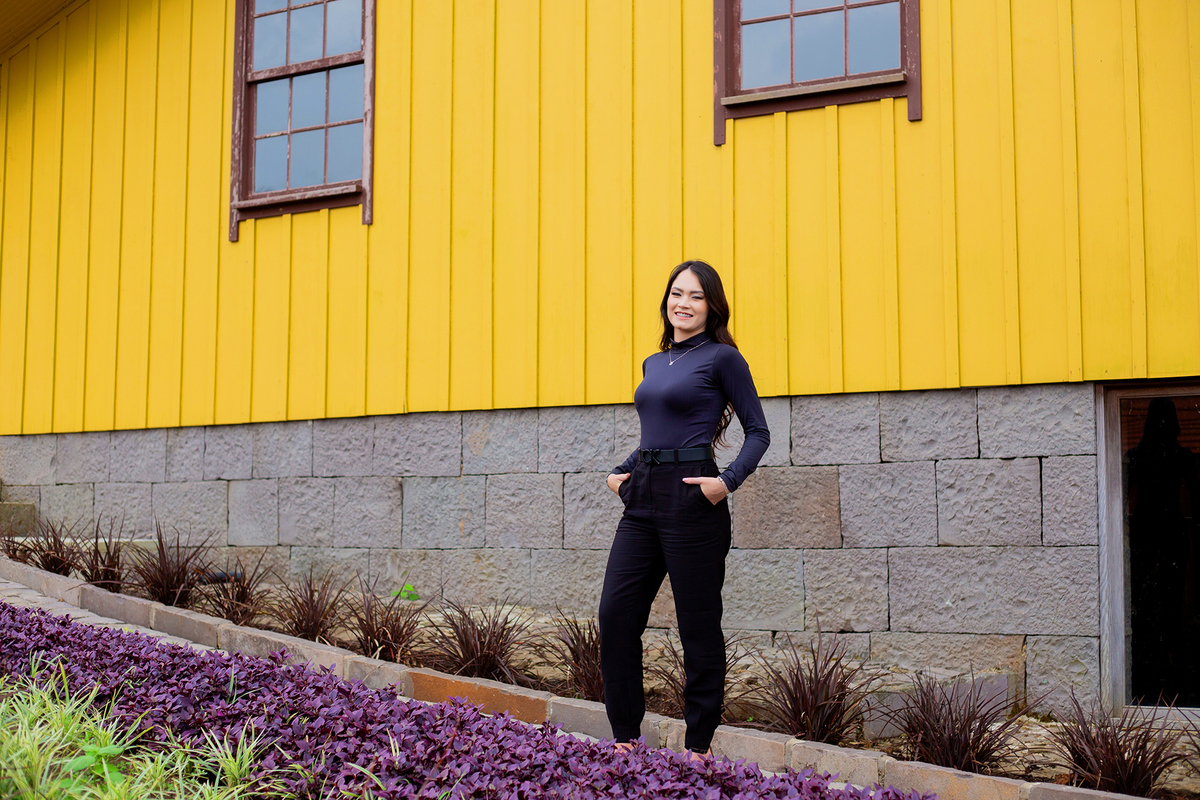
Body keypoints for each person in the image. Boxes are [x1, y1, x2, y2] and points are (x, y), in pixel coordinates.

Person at [599, 259, 770, 756]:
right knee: (616, 614)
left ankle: (698, 744)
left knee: (696, 622)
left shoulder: (722, 358)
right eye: (677, 293)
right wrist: (619, 473)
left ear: (712, 306)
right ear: (666, 301)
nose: (684, 304)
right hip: (644, 496)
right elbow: (654, 433)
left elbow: (758, 432)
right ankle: (625, 738)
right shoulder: (655, 362)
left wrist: (725, 483)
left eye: (696, 296)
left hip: (693, 496)